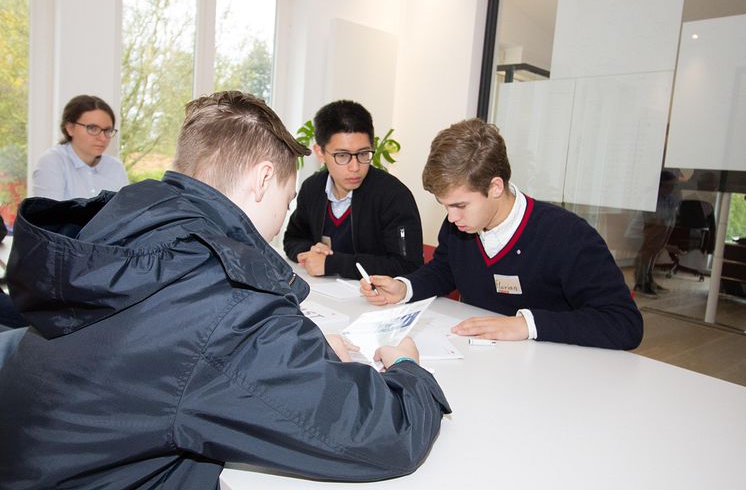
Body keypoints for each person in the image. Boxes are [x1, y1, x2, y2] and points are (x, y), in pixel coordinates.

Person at [0, 91, 450, 488]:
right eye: (287, 200)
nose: (283, 217)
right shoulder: (225, 303)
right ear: (262, 180)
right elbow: (386, 436)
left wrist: (298, 349)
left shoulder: (120, 234)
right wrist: (408, 366)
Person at [360, 118, 643, 351]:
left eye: (459, 205)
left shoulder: (568, 236)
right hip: (479, 359)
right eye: (444, 205)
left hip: (551, 375)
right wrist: (406, 288)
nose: (451, 217)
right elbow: (445, 269)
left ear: (495, 187)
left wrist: (526, 324)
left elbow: (624, 323)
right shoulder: (461, 225)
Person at [283, 100, 424, 279]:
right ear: (320, 153)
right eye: (342, 155)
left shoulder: (393, 196)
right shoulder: (312, 189)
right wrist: (311, 251)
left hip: (377, 302)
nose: (355, 167)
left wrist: (332, 263)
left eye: (364, 154)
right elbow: (292, 239)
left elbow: (408, 266)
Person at [32, 94, 129, 200]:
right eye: (92, 128)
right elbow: (47, 214)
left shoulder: (115, 167)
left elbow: (124, 213)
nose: (102, 138)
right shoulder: (52, 162)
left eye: (107, 130)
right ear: (70, 128)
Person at [633, 169, 680, 297]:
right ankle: (641, 283)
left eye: (673, 185)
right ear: (660, 185)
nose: (671, 188)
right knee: (648, 251)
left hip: (660, 228)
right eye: (669, 185)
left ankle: (649, 279)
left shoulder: (669, 198)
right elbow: (652, 218)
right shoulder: (650, 196)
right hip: (641, 231)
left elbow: (673, 211)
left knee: (655, 250)